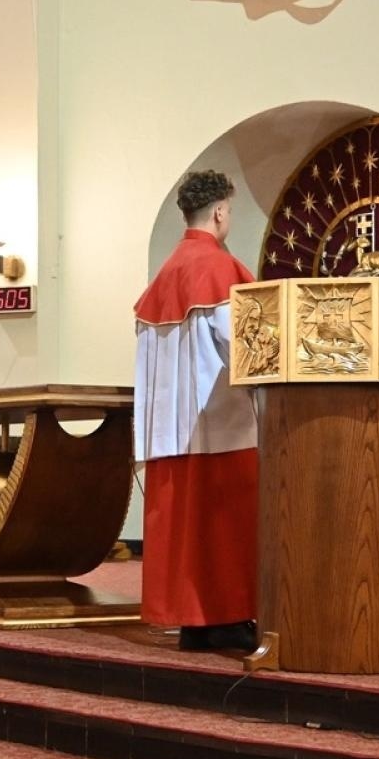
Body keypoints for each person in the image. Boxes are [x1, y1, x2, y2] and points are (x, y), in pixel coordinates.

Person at [134, 170, 258, 652]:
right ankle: (223, 618)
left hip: (171, 430)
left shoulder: (167, 271)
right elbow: (244, 343)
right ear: (221, 212)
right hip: (219, 422)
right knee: (223, 526)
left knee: (187, 529)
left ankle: (193, 620)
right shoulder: (216, 267)